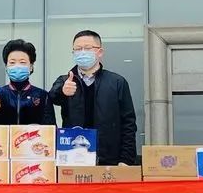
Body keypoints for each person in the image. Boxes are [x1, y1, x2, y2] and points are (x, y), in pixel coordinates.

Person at [48, 30, 137, 165]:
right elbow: (52, 98)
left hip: (109, 159)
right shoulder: (65, 80)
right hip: (73, 156)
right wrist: (62, 91)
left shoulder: (117, 82)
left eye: (88, 48)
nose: (82, 52)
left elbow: (128, 123)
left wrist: (126, 159)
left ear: (100, 52)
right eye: (78, 49)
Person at [0, 39, 55, 125]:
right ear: (6, 67)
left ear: (31, 67)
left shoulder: (43, 96)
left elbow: (51, 129)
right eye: (12, 62)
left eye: (22, 62)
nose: (17, 66)